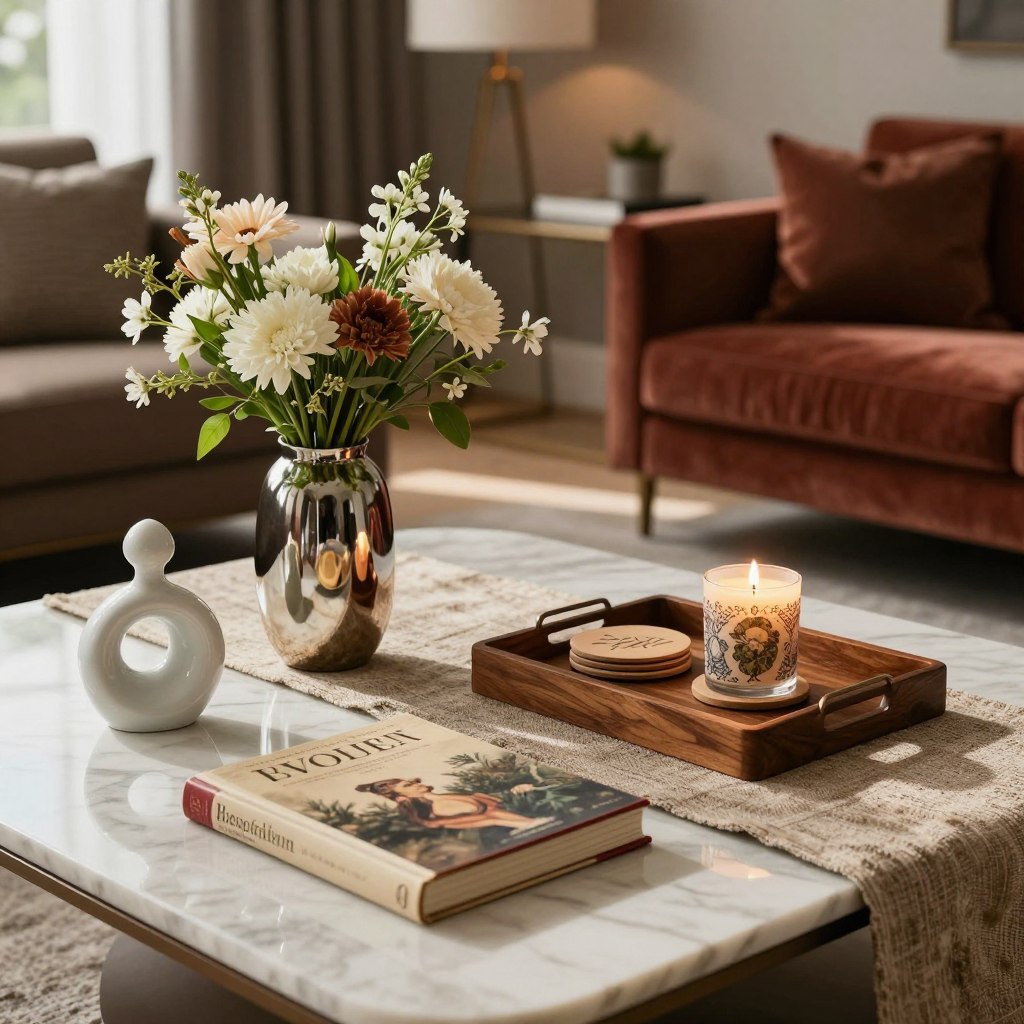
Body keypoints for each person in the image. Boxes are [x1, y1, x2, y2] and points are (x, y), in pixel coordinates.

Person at [355, 777, 553, 832]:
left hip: (532, 821)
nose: (417, 784)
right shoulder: (440, 808)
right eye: (409, 785)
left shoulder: (443, 799)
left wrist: (513, 791)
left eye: (414, 781)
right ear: (400, 797)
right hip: (525, 826)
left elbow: (491, 804)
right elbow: (488, 815)